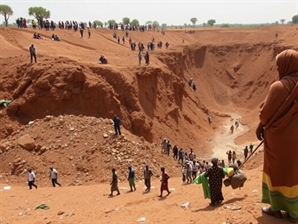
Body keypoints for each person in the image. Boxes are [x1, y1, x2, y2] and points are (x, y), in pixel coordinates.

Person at [256, 49, 298, 223]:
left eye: (278, 65)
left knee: (276, 172)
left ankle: (275, 209)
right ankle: (294, 213)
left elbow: (265, 116)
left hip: (278, 142)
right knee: (294, 172)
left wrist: (260, 125)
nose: (277, 68)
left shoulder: (279, 86)